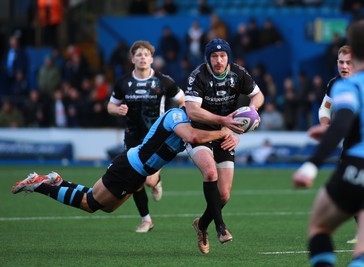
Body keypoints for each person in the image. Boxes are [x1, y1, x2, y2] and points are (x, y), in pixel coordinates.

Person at [293, 20, 364, 267]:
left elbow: (340, 124)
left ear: (355, 57)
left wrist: (311, 165)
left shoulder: (350, 85)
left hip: (358, 164)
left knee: (319, 226)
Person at [11, 107, 237, 223]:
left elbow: (201, 138)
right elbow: (195, 137)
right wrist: (223, 129)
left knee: (106, 205)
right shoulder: (177, 117)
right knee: (90, 203)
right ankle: (38, 185)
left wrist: (232, 133)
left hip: (135, 172)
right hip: (130, 167)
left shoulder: (192, 125)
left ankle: (59, 182)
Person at [184, 38, 264, 254]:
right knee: (210, 172)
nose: (218, 60)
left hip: (225, 133)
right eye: (214, 56)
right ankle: (220, 227)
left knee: (224, 195)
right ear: (207, 59)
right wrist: (224, 122)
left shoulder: (238, 73)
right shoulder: (198, 76)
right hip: (199, 132)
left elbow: (258, 95)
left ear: (229, 57)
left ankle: (201, 224)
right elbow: (192, 111)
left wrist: (251, 113)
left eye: (222, 56)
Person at [107, 40, 184, 233]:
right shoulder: (123, 82)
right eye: (139, 54)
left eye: (146, 54)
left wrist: (173, 120)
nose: (143, 57)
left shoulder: (164, 81)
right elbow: (110, 106)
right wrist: (118, 109)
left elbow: (182, 100)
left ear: (152, 59)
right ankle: (146, 220)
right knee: (135, 181)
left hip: (156, 138)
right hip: (132, 138)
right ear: (132, 59)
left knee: (148, 180)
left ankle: (156, 182)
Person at [318, 45, 358, 244]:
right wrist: (326, 126)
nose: (344, 66)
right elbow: (325, 109)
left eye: (349, 62)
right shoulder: (335, 84)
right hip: (351, 144)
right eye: (341, 62)